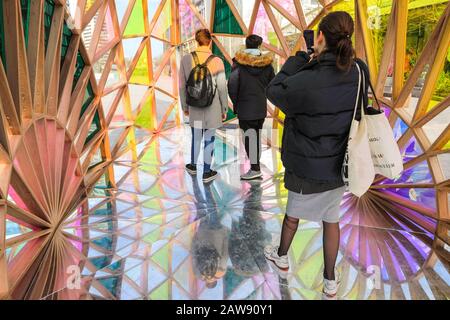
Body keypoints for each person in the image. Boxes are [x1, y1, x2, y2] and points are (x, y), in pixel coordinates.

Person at [264, 11, 370, 298]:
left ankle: (282, 257)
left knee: (293, 215)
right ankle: (330, 280)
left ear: (320, 37)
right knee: (330, 219)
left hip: (306, 166)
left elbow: (274, 90)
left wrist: (301, 59)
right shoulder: (359, 70)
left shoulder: (306, 78)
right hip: (338, 165)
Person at [179, 29, 229, 183]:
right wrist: (224, 108)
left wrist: (185, 107)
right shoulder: (217, 61)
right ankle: (207, 172)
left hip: (194, 106)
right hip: (212, 107)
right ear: (210, 42)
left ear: (196, 41)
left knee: (196, 137)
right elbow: (222, 87)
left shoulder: (186, 59)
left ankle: (193, 166)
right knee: (209, 138)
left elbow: (182, 86)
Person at [228, 35, 275, 180]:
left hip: (245, 108)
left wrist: (237, 102)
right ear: (259, 46)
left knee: (248, 138)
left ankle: (255, 169)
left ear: (246, 45)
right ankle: (256, 166)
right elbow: (272, 84)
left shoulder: (239, 63)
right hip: (260, 108)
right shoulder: (267, 64)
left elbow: (232, 85)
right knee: (256, 136)